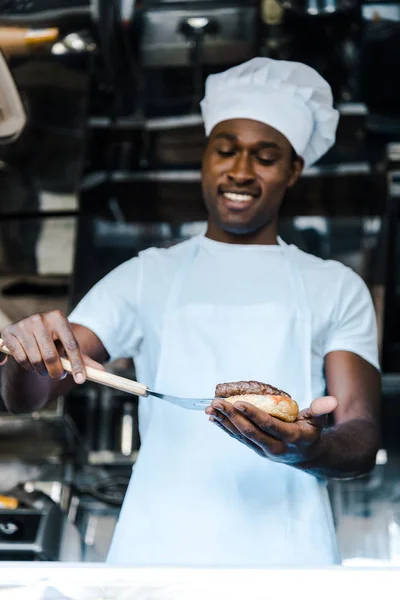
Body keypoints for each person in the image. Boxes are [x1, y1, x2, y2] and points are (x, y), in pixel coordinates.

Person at [0, 58, 380, 567]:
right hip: (154, 558)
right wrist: (23, 357)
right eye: (225, 150)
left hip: (291, 561)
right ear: (205, 158)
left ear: (293, 170)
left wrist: (304, 449)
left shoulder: (337, 286)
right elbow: (33, 395)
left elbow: (359, 434)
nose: (240, 171)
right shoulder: (146, 275)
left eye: (265, 157)